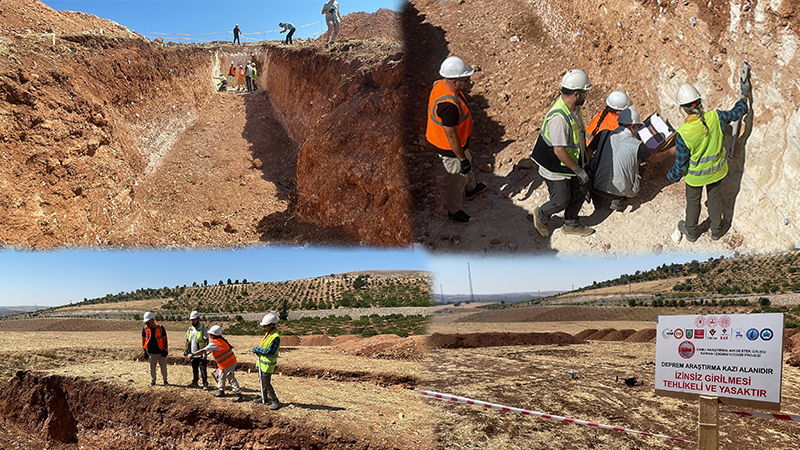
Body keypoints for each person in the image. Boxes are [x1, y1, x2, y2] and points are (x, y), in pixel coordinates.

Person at [668, 81, 749, 242]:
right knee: (714, 200)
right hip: (716, 172)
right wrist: (744, 97)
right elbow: (736, 113)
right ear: (699, 101)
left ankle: (691, 232)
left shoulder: (684, 133)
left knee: (693, 203)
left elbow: (681, 164)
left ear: (682, 108)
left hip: (695, 178)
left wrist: (671, 177)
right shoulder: (715, 117)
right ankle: (716, 231)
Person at [531, 69, 595, 237]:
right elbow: (559, 150)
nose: (586, 95)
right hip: (556, 167)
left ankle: (571, 223)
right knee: (560, 200)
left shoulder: (573, 108)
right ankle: (542, 215)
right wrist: (578, 170)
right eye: (585, 92)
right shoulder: (559, 118)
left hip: (569, 163)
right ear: (576, 94)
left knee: (579, 191)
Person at [425, 56, 487, 224]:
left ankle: (472, 188)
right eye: (466, 80)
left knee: (468, 161)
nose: (469, 83)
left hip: (458, 143)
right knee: (458, 176)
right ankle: (454, 210)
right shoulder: (449, 107)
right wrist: (461, 158)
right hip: (450, 148)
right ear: (454, 82)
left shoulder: (440, 84)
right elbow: (451, 137)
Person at [589, 107, 676, 212]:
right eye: (638, 126)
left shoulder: (603, 134)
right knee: (639, 169)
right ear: (632, 126)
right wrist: (669, 152)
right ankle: (620, 199)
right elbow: (654, 159)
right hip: (619, 191)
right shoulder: (638, 146)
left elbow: (588, 153)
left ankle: (597, 198)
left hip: (595, 185)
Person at [186, 325, 244, 402]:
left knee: (230, 378)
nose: (209, 335)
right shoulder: (221, 340)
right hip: (225, 363)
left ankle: (238, 394)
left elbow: (203, 350)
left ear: (214, 335)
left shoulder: (215, 343)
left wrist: (192, 354)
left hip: (228, 363)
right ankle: (221, 391)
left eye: (210, 334)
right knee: (221, 375)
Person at [251, 313, 282, 410]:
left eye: (265, 326)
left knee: (266, 383)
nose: (263, 328)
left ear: (272, 325)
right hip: (263, 363)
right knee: (262, 381)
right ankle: (264, 398)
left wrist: (258, 350)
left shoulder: (275, 337)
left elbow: (270, 351)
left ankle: (275, 401)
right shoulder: (268, 334)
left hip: (268, 364)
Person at [141, 311, 168, 386]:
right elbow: (143, 340)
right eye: (146, 323)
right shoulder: (145, 329)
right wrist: (144, 351)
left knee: (163, 368)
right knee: (152, 368)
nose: (147, 324)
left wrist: (166, 349)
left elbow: (165, 339)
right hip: (151, 352)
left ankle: (165, 381)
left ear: (152, 320)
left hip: (161, 351)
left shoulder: (160, 328)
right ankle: (153, 381)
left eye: (148, 323)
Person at [184, 311, 210, 389]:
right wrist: (186, 351)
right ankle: (195, 382)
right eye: (191, 320)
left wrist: (205, 352)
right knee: (194, 369)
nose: (192, 322)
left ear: (198, 319)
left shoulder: (203, 329)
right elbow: (186, 339)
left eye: (194, 320)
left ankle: (205, 384)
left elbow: (206, 341)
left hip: (201, 354)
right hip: (193, 353)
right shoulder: (190, 329)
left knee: (203, 369)